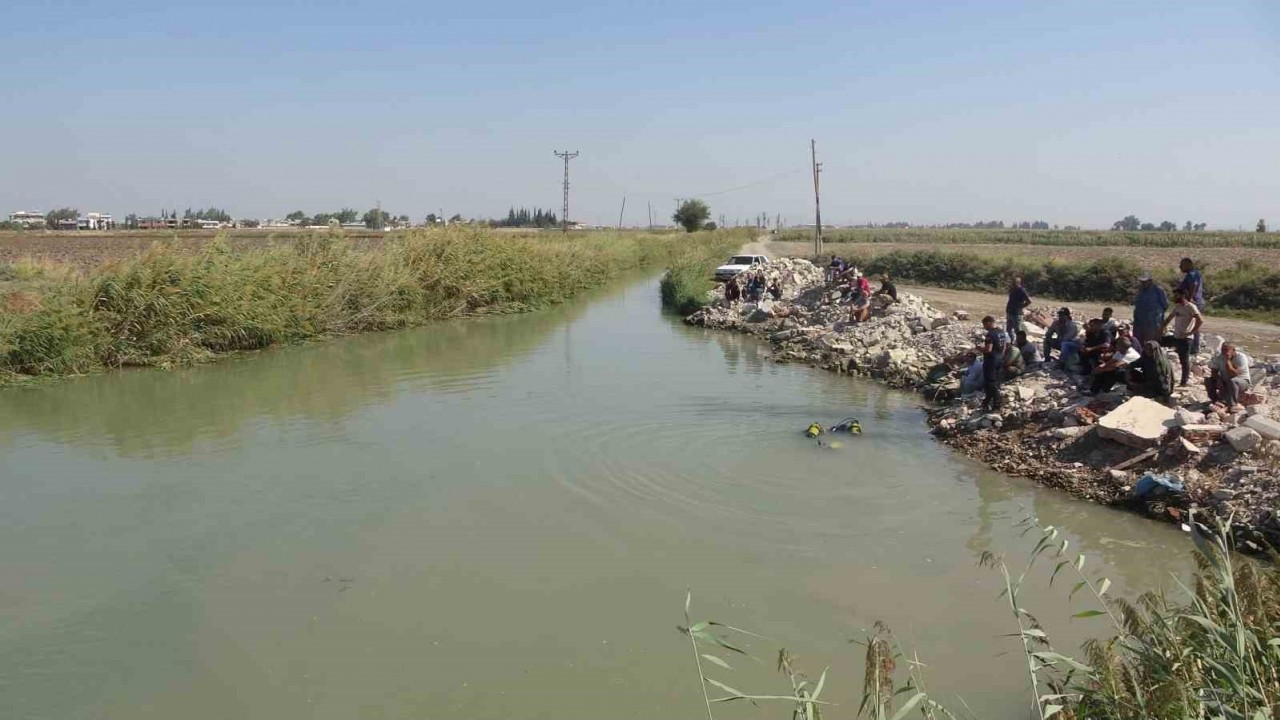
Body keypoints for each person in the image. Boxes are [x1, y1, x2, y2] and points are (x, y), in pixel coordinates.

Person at [1159, 289, 1203, 386]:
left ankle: (1184, 381)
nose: (1174, 297)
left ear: (1183, 295)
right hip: (1176, 337)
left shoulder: (1191, 307)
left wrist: (1191, 332)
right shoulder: (1178, 307)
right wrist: (1161, 329)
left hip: (1185, 339)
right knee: (1157, 342)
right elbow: (1168, 319)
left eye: (1177, 295)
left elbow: (1200, 320)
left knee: (1184, 360)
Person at [1206, 342, 1252, 409]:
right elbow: (1214, 371)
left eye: (1226, 350)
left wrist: (1228, 360)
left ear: (1233, 350)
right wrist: (1218, 379)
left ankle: (1232, 404)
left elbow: (1234, 374)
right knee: (1208, 380)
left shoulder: (1241, 357)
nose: (1224, 352)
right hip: (1225, 380)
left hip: (1242, 381)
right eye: (1222, 350)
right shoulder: (1219, 357)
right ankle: (1215, 400)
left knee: (1233, 380)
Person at [979, 316, 1008, 412]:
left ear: (988, 323)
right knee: (996, 381)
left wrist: (979, 348)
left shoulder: (990, 335)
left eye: (984, 325)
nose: (984, 327)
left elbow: (988, 349)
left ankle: (997, 404)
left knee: (991, 382)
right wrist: (1001, 356)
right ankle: (987, 401)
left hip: (990, 361)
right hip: (999, 359)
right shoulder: (1001, 332)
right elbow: (1004, 347)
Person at [1177, 258, 1206, 355]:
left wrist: (1189, 298)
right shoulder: (1193, 274)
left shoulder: (1192, 274)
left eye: (1182, 265)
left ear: (1188, 265)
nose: (1180, 267)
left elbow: (1194, 284)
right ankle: (1188, 345)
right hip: (1195, 301)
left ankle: (1194, 347)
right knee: (1189, 324)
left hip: (1194, 302)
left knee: (1194, 325)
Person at [1133, 273, 1169, 346]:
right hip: (1139, 320)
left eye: (1145, 282)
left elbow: (1165, 305)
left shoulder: (1158, 290)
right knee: (1138, 341)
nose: (1143, 283)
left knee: (1152, 343)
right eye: (1141, 282)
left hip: (1153, 322)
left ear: (1150, 281)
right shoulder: (1140, 290)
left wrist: (1157, 314)